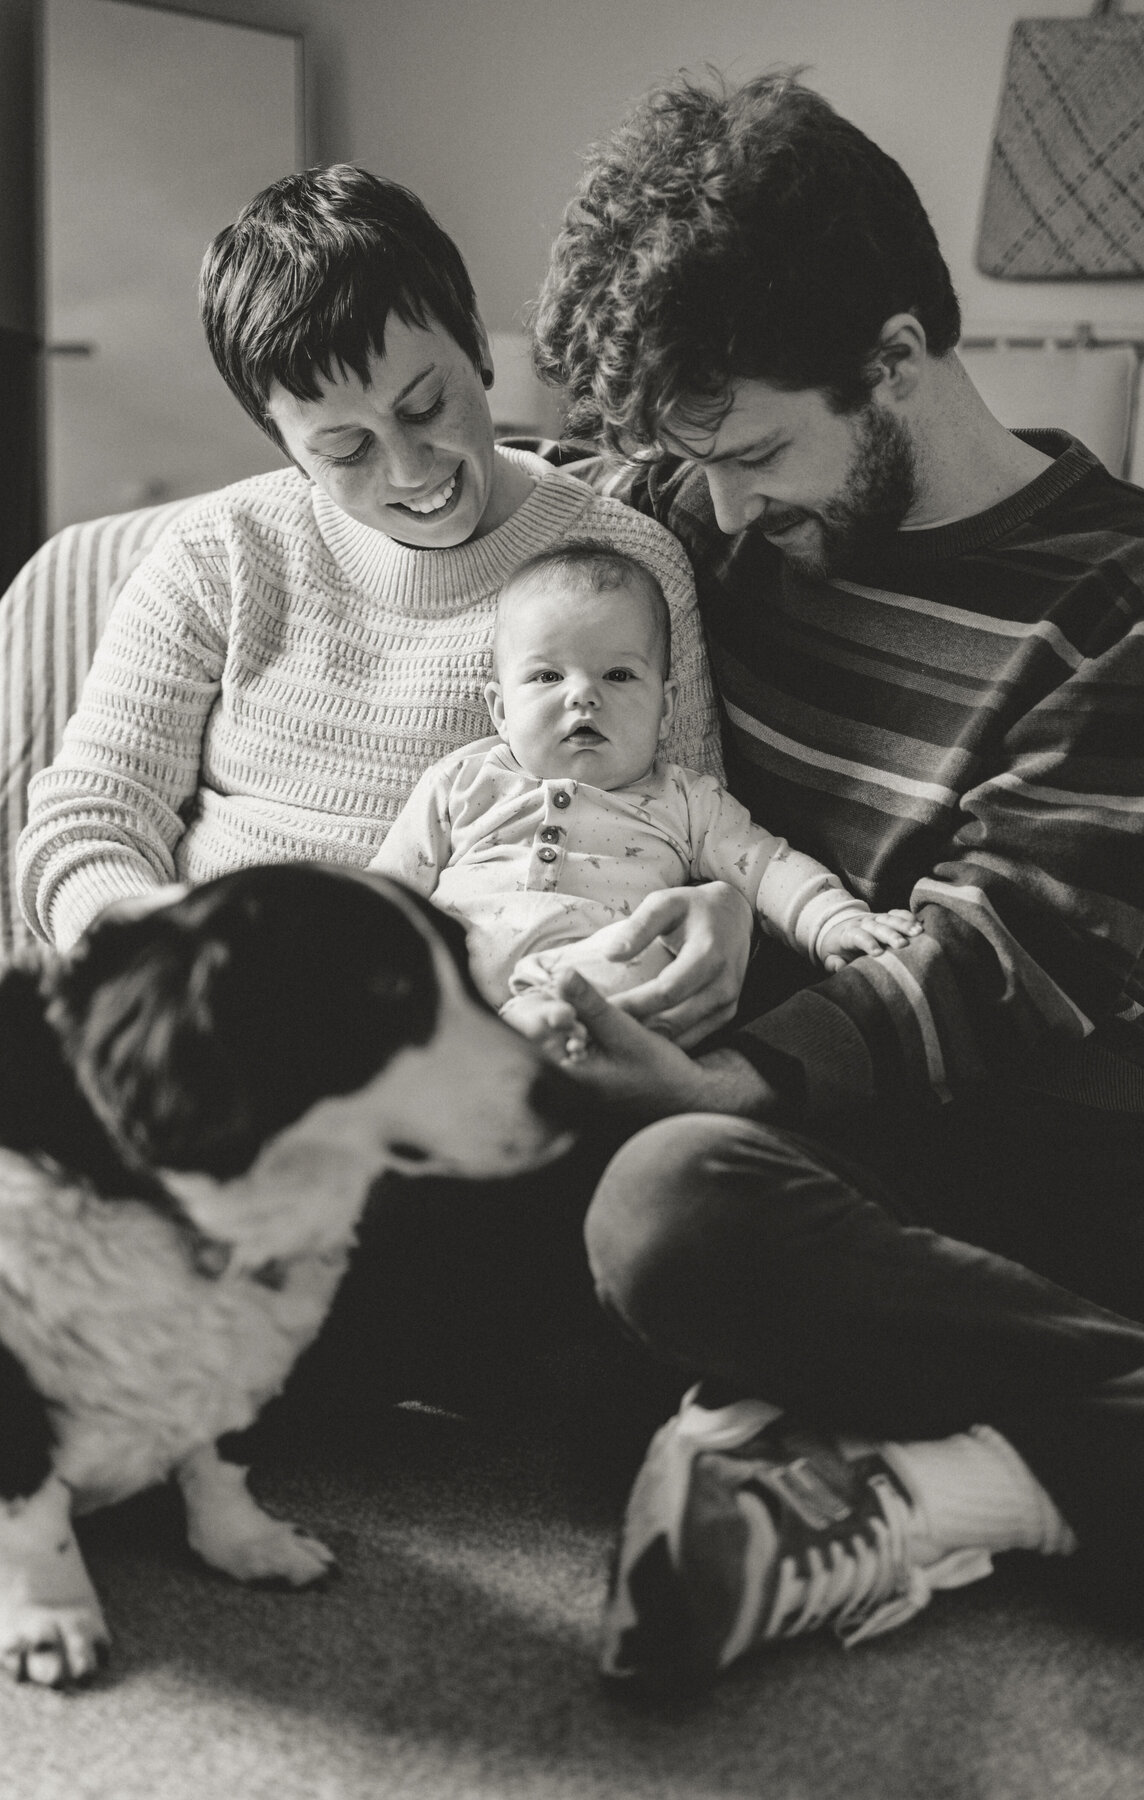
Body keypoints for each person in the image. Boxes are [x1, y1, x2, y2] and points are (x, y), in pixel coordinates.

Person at [530, 70, 1144, 1690]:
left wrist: (713, 1076)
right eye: (689, 459)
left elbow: (993, 958)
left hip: (981, 1134)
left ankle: (998, 1444)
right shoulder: (694, 513)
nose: (718, 509)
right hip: (713, 1099)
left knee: (666, 1216)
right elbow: (479, 507)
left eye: (753, 452)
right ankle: (936, 1464)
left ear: (894, 358)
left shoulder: (1115, 597)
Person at [15, 163, 726, 962]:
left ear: (475, 346)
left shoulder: (628, 569)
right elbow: (88, 822)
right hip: (201, 995)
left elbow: (694, 840)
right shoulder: (216, 554)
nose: (411, 470)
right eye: (345, 448)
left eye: (425, 406)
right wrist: (173, 968)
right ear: (281, 443)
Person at [372, 537, 920, 1060]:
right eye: (546, 675)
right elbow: (390, 885)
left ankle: (542, 1029)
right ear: (499, 710)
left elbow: (767, 868)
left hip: (601, 974)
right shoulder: (463, 778)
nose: (583, 694)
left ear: (665, 708)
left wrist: (837, 921)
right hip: (458, 967)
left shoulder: (686, 799)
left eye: (618, 674)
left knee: (650, 962)